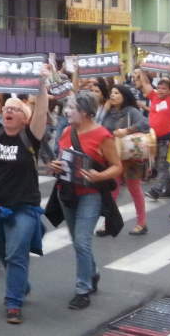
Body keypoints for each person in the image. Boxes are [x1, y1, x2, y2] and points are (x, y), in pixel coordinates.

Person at [0, 73, 50, 324]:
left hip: (23, 209)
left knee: (16, 254)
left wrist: (42, 83)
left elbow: (41, 109)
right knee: (3, 253)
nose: (8, 111)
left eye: (15, 110)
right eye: (6, 108)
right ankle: (21, 285)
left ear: (25, 118)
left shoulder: (30, 137)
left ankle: (13, 303)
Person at [50, 91, 121, 312]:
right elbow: (62, 159)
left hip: (90, 194)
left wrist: (100, 176)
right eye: (67, 107)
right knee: (77, 240)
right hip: (67, 192)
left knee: (82, 241)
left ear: (85, 112)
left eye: (72, 108)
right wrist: (55, 166)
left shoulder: (102, 135)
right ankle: (92, 272)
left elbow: (117, 166)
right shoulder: (66, 131)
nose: (67, 112)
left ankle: (83, 289)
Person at [98, 84, 150, 235]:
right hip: (113, 156)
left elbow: (145, 124)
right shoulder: (109, 112)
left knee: (134, 189)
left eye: (117, 93)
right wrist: (105, 109)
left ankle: (142, 223)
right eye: (112, 93)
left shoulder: (132, 111)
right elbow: (98, 126)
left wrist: (127, 130)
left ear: (124, 96)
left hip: (131, 157)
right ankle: (108, 223)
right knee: (112, 189)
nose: (113, 95)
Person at [136, 70, 170, 200]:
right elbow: (145, 83)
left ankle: (156, 190)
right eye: (159, 88)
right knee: (159, 165)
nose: (161, 90)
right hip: (154, 138)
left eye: (164, 88)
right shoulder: (154, 97)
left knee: (163, 165)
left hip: (168, 138)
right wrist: (142, 71)